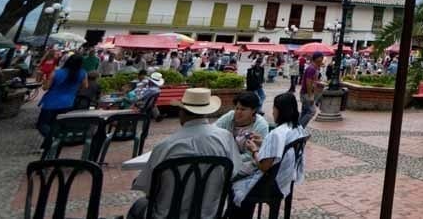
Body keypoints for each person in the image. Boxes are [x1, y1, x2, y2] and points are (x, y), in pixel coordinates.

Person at [128, 88, 238, 219]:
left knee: (139, 205)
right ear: (207, 112)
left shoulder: (165, 146)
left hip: (167, 215)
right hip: (209, 214)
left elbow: (148, 188)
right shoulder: (225, 138)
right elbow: (234, 173)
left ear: (182, 113)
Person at [230, 92, 306, 218]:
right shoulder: (297, 129)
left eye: (274, 109)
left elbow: (264, 166)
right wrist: (264, 142)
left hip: (271, 183)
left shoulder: (277, 133)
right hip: (286, 178)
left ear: (279, 110)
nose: (273, 112)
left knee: (232, 182)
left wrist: (254, 149)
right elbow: (285, 147)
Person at [37, 54, 88, 152]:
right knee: (56, 124)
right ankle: (48, 144)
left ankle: (51, 140)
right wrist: (74, 91)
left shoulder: (57, 72)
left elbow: (45, 87)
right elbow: (85, 86)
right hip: (68, 102)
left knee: (42, 124)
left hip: (51, 102)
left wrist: (44, 81)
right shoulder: (83, 73)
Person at [214, 91, 270, 178]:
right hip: (227, 159)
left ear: (253, 110)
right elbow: (214, 130)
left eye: (243, 109)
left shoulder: (261, 125)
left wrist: (229, 158)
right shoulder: (230, 117)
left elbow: (250, 156)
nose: (238, 112)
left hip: (247, 164)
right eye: (237, 108)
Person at [298, 52, 324, 127]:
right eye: (321, 58)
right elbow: (308, 82)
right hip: (306, 93)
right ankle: (300, 128)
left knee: (305, 111)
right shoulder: (311, 68)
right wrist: (310, 95)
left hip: (305, 93)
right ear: (316, 58)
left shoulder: (314, 68)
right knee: (312, 111)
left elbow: (312, 81)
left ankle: (297, 128)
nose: (322, 59)